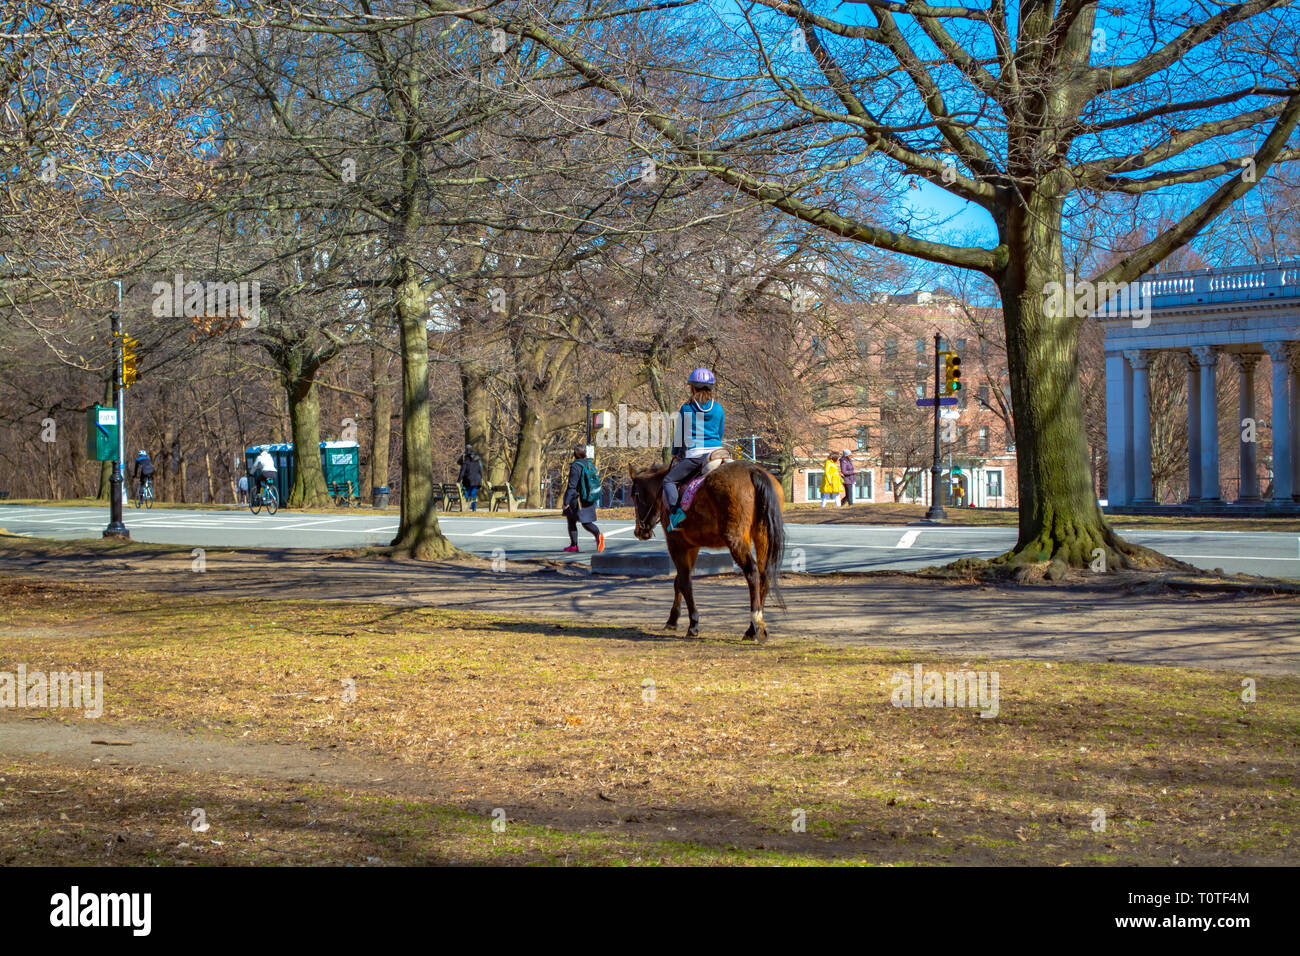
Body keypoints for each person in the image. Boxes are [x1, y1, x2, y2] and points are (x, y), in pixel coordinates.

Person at [664, 367, 726, 531]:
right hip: (717, 453)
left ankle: (676, 516)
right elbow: (719, 433)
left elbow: (680, 436)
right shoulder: (718, 408)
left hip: (695, 455)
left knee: (668, 481)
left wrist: (675, 453)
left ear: (692, 387)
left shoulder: (687, 408)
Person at [562, 445, 604, 553]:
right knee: (578, 520)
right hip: (590, 497)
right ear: (585, 453)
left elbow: (572, 486)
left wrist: (566, 502)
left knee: (577, 522)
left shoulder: (576, 466)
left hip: (577, 499)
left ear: (574, 454)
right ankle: (575, 545)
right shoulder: (590, 464)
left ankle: (577, 544)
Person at [457, 444, 484, 512]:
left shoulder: (465, 460)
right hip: (476, 479)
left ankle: (465, 506)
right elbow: (481, 470)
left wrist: (458, 480)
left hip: (467, 479)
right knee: (473, 493)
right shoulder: (477, 460)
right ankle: (473, 507)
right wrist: (480, 477)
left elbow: (462, 472)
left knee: (466, 492)